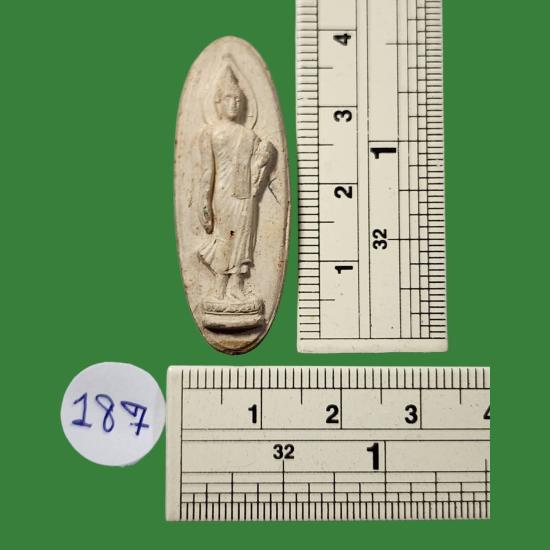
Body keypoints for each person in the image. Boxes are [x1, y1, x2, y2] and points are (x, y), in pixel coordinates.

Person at [197, 66, 273, 303]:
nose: (234, 104)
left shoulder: (249, 136)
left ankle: (236, 285)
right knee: (225, 236)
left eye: (238, 100)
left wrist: (262, 160)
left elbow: (257, 171)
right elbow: (207, 172)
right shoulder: (209, 133)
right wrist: (203, 200)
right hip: (222, 194)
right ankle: (219, 284)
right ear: (218, 102)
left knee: (243, 238)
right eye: (229, 98)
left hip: (245, 194)